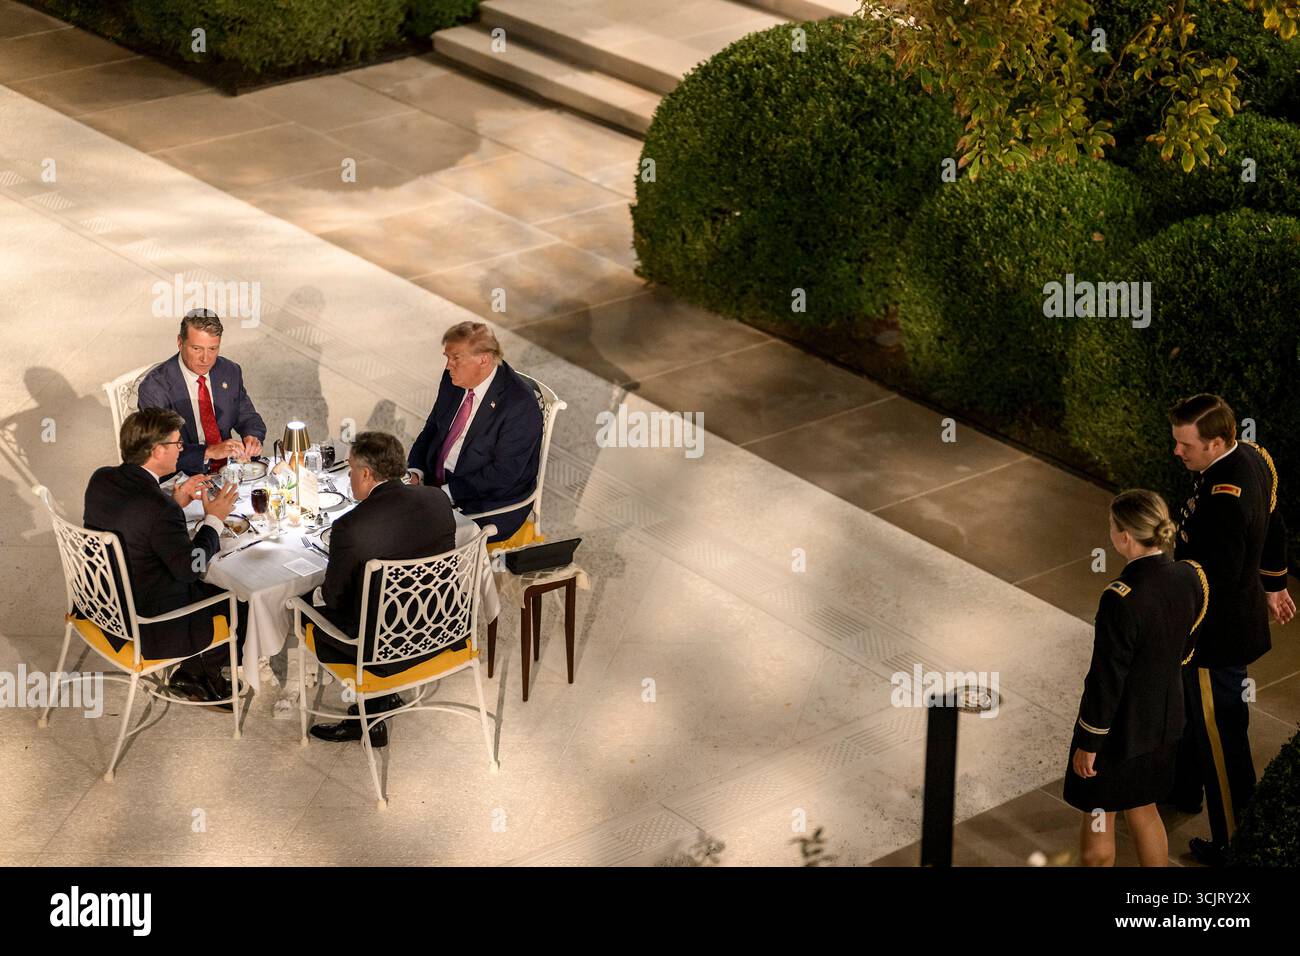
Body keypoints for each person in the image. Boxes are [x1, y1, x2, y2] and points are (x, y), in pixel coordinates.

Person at [1166, 393, 1294, 866]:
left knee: (1222, 734)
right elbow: (1274, 521)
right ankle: (1181, 789)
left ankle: (1235, 842)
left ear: (1216, 441)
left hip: (1212, 636)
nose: (1178, 452)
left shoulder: (1224, 499)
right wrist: (1274, 586)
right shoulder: (1255, 457)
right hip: (1235, 619)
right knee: (1193, 715)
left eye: (1185, 445)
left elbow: (1210, 581)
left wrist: (1169, 614)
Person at [1065, 490, 1209, 867]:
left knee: (1099, 812)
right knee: (1144, 809)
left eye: (1112, 526)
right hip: (1165, 722)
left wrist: (1089, 741)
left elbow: (1106, 679)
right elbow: (1189, 640)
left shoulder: (1121, 598)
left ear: (1125, 536)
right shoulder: (1190, 576)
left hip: (1118, 731)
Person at [82, 408, 244, 704]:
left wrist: (174, 501)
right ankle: (197, 676)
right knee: (239, 600)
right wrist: (214, 520)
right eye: (177, 443)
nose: (181, 449)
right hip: (142, 623)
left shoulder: (101, 478)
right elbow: (191, 567)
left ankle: (196, 673)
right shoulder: (159, 509)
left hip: (98, 603)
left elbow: (134, 520)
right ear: (157, 451)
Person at [308, 431, 459, 747]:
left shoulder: (349, 527)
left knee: (302, 603)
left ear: (365, 474)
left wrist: (311, 597)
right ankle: (381, 704)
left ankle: (370, 711)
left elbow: (333, 599)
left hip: (381, 653)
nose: (349, 477)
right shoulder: (437, 499)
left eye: (350, 470)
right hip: (441, 629)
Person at [407, 322, 543, 544]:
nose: (448, 365)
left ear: (484, 359)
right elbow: (432, 427)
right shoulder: (452, 380)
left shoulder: (519, 405)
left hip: (489, 501)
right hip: (438, 483)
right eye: (447, 357)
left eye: (456, 358)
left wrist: (447, 494)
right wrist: (415, 471)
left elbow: (504, 474)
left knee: (413, 538)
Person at [136, 308, 266, 475]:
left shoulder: (230, 371)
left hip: (228, 469)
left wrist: (252, 437)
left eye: (213, 349)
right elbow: (159, 449)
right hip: (180, 475)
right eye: (197, 349)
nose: (206, 359)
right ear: (180, 342)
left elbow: (248, 417)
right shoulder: (155, 387)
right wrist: (209, 451)